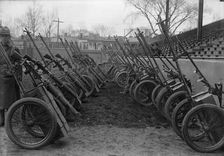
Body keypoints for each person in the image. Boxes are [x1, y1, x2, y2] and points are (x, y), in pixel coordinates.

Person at [0, 26, 22, 126]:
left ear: (9, 37)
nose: (4, 38)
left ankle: (9, 119)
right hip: (0, 77)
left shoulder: (14, 48)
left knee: (10, 101)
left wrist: (19, 75)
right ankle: (1, 119)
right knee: (1, 100)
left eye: (6, 36)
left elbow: (20, 62)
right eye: (2, 36)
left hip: (10, 78)